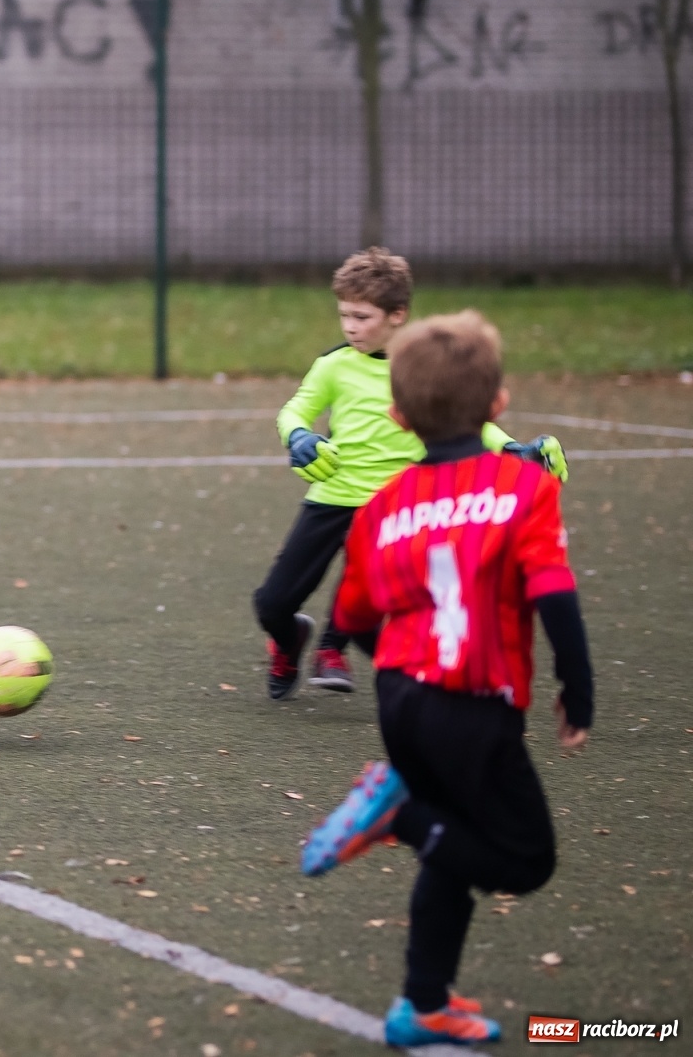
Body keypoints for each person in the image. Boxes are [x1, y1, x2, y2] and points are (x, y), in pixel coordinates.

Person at [300, 311, 593, 1046]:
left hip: (402, 696)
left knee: (452, 843)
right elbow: (554, 594)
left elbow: (352, 617)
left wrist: (406, 663)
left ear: (398, 417)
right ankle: (397, 816)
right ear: (498, 405)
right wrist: (577, 686)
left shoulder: (383, 507)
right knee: (525, 859)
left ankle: (422, 1004)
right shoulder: (523, 486)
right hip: (473, 705)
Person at [253, 247, 567, 700]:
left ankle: (331, 650)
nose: (350, 326)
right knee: (272, 602)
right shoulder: (334, 366)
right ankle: (288, 640)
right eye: (344, 315)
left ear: (397, 315)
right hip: (333, 496)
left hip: (395, 506)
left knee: (372, 589)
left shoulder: (418, 369)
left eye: (362, 317)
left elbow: (464, 423)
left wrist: (513, 448)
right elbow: (293, 412)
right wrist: (299, 436)